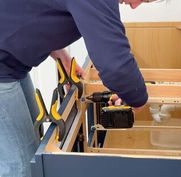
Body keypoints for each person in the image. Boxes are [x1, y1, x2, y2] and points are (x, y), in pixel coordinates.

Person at [0, 0, 157, 176]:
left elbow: (34, 11)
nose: (135, 6)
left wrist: (63, 58)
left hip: (11, 65)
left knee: (33, 154)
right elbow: (115, 65)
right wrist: (138, 100)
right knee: (20, 167)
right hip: (4, 66)